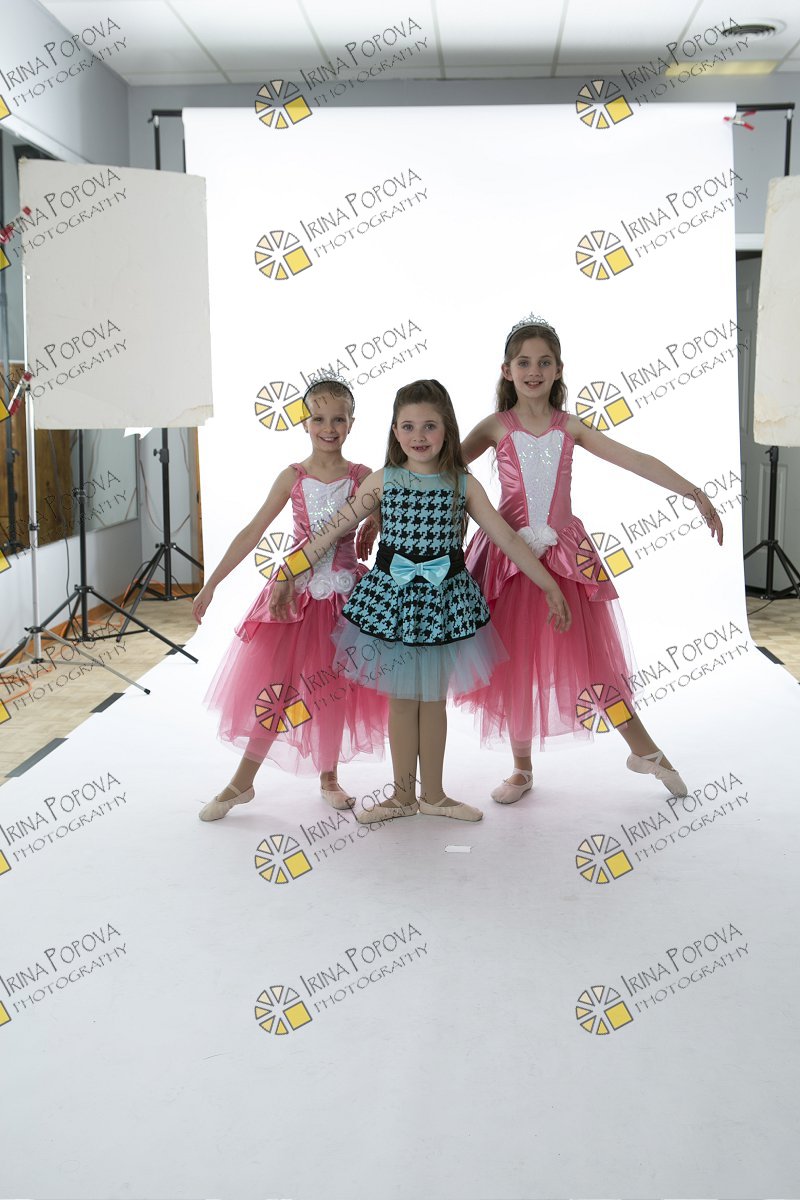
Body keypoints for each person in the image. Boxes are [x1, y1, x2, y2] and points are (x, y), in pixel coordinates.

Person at [269, 378, 571, 825]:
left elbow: (506, 537)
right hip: (392, 602)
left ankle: (434, 795)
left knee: (432, 701)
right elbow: (329, 532)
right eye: (408, 427)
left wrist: (548, 585)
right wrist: (286, 572)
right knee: (401, 700)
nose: (419, 436)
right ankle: (401, 795)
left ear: (447, 429)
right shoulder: (383, 480)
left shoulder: (462, 484)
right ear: (394, 431)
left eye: (430, 426)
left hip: (443, 604)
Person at [456, 314, 724, 803]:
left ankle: (645, 751)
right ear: (506, 370)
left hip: (565, 561)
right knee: (514, 664)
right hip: (508, 561)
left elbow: (634, 458)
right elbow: (438, 468)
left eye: (544, 362)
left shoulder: (570, 427)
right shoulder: (496, 426)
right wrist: (380, 506)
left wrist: (693, 491)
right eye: (523, 362)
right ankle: (521, 768)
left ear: (559, 370)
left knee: (594, 663)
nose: (534, 371)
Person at [192, 373, 386, 821]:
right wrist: (212, 582)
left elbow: (383, 507)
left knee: (335, 688)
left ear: (352, 422)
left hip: (346, 598)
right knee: (276, 689)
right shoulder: (293, 477)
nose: (329, 428)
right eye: (318, 419)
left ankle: (329, 777)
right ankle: (242, 782)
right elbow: (252, 531)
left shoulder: (361, 476)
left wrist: (375, 520)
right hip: (294, 598)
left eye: (338, 419)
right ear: (304, 422)